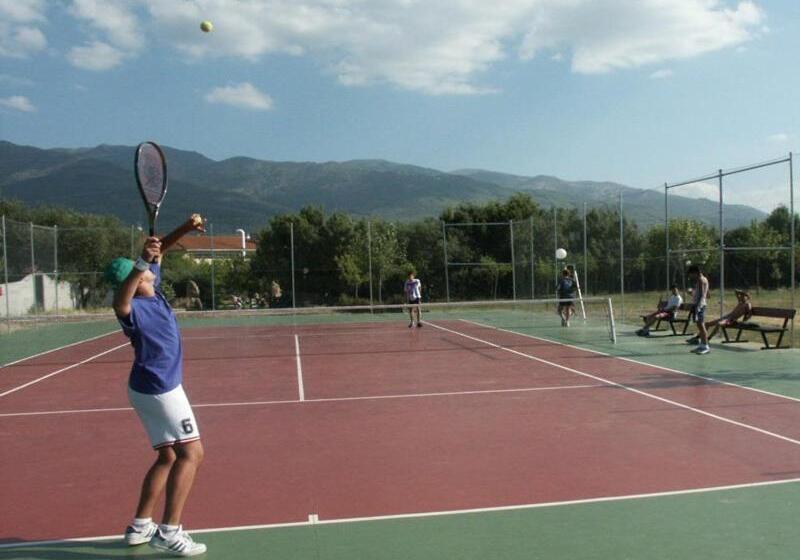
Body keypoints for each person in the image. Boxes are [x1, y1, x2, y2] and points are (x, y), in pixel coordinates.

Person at [105, 214, 207, 557]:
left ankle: (140, 525)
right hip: (161, 388)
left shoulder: (154, 289)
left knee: (167, 456)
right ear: (137, 276)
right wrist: (141, 260)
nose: (154, 265)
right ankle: (170, 531)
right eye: (148, 267)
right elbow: (122, 297)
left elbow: (159, 249)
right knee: (192, 454)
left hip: (145, 388)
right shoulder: (131, 307)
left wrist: (185, 227)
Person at [686, 264, 710, 354]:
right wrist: (692, 293)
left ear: (695, 272)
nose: (691, 276)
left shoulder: (701, 280)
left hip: (700, 306)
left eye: (691, 274)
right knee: (700, 325)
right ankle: (702, 345)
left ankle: (706, 346)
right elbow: (707, 295)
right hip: (699, 304)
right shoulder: (703, 280)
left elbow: (703, 295)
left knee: (701, 325)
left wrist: (698, 306)